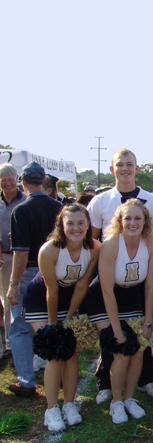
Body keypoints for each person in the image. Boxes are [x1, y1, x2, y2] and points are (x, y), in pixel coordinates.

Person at [87, 149, 153, 404]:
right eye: (119, 164)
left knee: (141, 337)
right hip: (109, 279)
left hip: (135, 280)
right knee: (113, 338)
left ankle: (146, 380)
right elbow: (92, 241)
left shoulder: (152, 201)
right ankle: (106, 384)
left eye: (129, 164)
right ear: (112, 169)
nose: (125, 169)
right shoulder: (100, 201)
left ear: (136, 168)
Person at [24, 204, 100, 431]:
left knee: (71, 352)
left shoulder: (95, 248)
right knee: (55, 352)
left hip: (69, 302)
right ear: (61, 225)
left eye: (81, 223)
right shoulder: (49, 250)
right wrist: (53, 325)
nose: (76, 228)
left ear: (88, 224)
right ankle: (51, 410)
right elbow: (51, 290)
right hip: (41, 301)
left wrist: (68, 318)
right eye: (70, 223)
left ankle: (69, 404)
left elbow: (82, 286)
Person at [84, 199, 153, 424]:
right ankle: (116, 402)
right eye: (128, 218)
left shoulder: (152, 243)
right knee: (121, 350)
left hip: (131, 297)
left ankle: (129, 398)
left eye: (138, 218)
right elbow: (106, 290)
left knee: (138, 350)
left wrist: (147, 322)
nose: (133, 223)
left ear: (145, 221)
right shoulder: (111, 244)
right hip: (102, 299)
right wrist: (116, 329)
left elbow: (150, 286)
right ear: (120, 221)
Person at [7, 162, 63, 397]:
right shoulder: (59, 207)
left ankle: (26, 381)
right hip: (57, 271)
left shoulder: (21, 210)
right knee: (54, 322)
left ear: (23, 182)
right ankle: (59, 373)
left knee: (19, 328)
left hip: (31, 271)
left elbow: (20, 254)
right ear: (43, 181)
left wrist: (13, 285)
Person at [0, 164, 27, 359]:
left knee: (15, 299)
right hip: (3, 255)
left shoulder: (25, 201)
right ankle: (8, 342)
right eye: (3, 180)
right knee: (5, 300)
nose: (7, 183)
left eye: (10, 179)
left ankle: (13, 342)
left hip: (21, 256)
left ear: (17, 179)